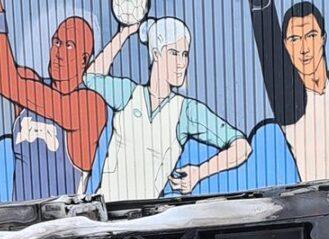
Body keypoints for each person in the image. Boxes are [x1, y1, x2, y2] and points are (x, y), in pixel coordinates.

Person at [85, 16, 252, 202]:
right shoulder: (128, 94)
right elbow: (91, 77)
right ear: (156, 54)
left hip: (145, 219)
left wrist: (200, 173)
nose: (181, 63)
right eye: (173, 53)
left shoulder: (186, 111)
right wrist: (124, 33)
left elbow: (242, 147)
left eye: (185, 54)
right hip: (106, 212)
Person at [0, 0, 107, 198]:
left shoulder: (90, 105)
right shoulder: (29, 83)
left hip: (61, 224)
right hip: (21, 221)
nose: (58, 53)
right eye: (56, 42)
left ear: (84, 59)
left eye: (68, 46)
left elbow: (7, 84)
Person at [248, 0, 329, 182]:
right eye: (294, 39)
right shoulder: (292, 103)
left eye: (311, 35)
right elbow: (267, 35)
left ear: (323, 38)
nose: (304, 49)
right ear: (285, 46)